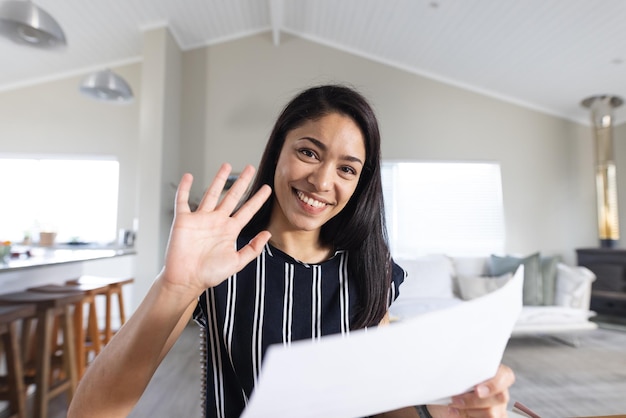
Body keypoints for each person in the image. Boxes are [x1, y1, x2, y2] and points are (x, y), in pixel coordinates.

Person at [68, 84, 514, 418]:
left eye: (346, 169)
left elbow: (378, 401)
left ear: (359, 185)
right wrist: (175, 285)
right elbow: (90, 412)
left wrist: (451, 411)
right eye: (308, 152)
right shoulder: (220, 260)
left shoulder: (370, 266)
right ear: (278, 150)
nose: (322, 182)